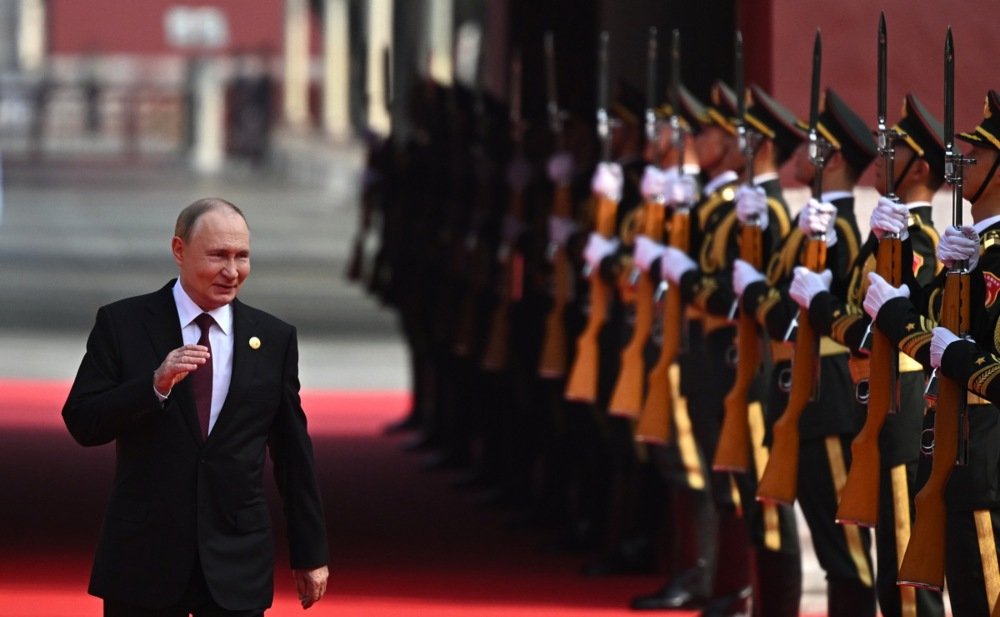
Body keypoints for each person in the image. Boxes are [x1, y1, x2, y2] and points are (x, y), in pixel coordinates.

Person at [62, 198, 330, 616]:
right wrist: (153, 386)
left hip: (236, 560)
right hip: (144, 558)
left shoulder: (274, 339)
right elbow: (82, 420)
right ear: (179, 251)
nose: (232, 271)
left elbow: (293, 454)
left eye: (242, 256)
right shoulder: (124, 323)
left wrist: (310, 554)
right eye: (218, 255)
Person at [865, 90, 1000, 617]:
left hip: (987, 457)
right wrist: (919, 287)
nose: (964, 161)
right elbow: (938, 329)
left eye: (980, 154)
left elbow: (967, 356)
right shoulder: (975, 251)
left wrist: (947, 350)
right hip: (951, 448)